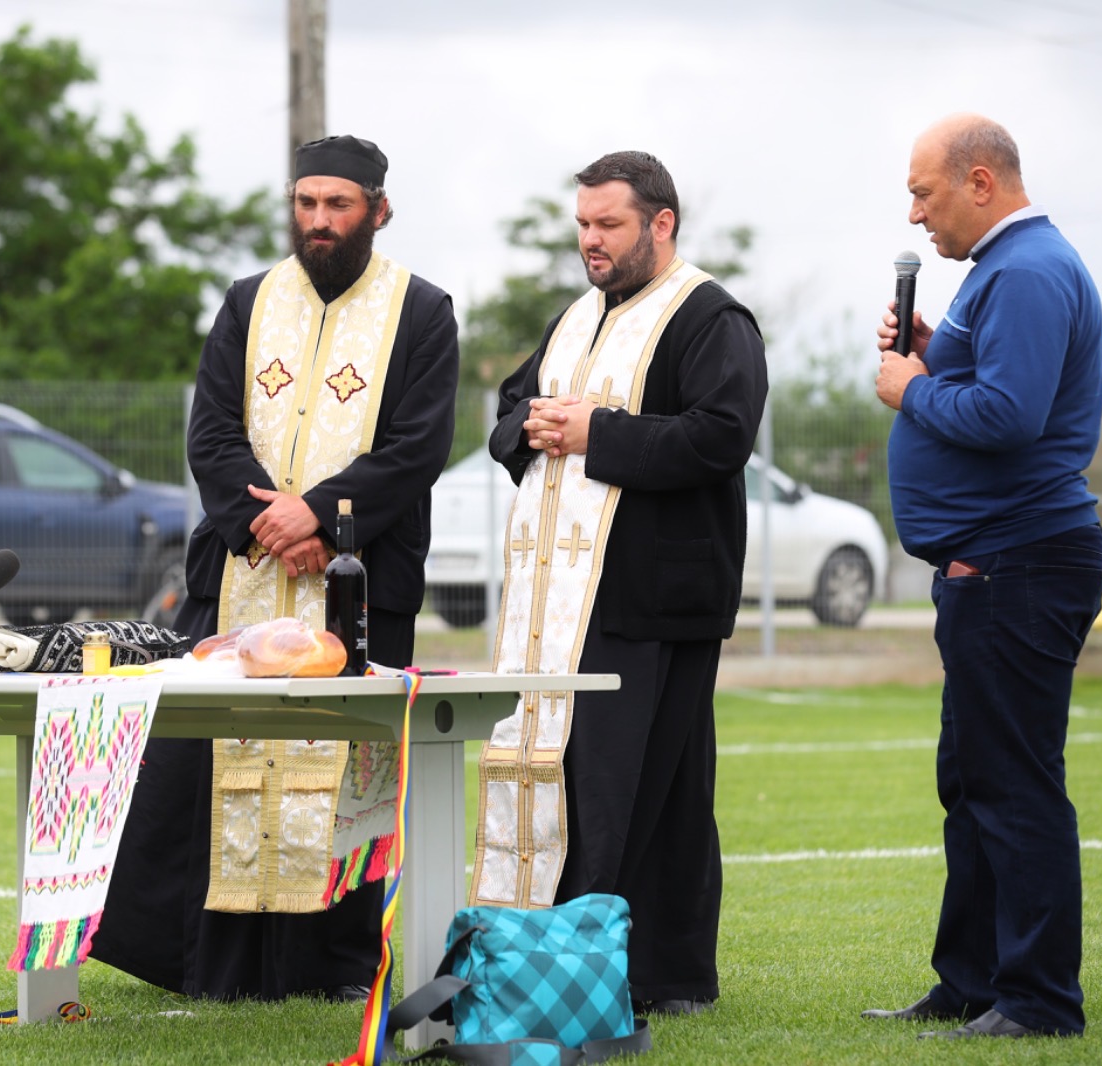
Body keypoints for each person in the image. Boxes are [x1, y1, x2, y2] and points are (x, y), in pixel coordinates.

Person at [89, 134, 460, 1001]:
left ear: (378, 208)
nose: (319, 221)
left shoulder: (422, 310)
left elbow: (418, 447)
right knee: (210, 764)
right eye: (306, 203)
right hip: (241, 579)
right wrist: (265, 521)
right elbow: (210, 431)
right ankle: (212, 968)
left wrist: (324, 517)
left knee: (340, 777)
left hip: (356, 587)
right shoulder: (248, 301)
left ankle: (327, 971)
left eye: (338, 205)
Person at [468, 150, 767, 1016]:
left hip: (654, 601)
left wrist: (598, 432)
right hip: (560, 607)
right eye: (583, 226)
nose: (590, 243)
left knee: (649, 790)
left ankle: (654, 974)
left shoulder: (712, 316)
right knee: (584, 779)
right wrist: (532, 425)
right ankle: (564, 957)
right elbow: (511, 413)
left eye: (609, 225)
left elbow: (720, 437)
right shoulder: (575, 316)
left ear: (661, 224)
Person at [861, 114, 1102, 1040]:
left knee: (1015, 785)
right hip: (993, 567)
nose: (915, 211)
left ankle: (1040, 1000)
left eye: (924, 192)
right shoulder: (1000, 275)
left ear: (979, 182)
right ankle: (971, 981)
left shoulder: (1031, 272)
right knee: (971, 782)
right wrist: (936, 345)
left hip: (1022, 563)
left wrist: (911, 386)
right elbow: (993, 383)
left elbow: (1008, 415)